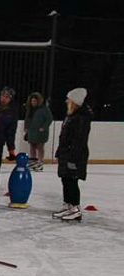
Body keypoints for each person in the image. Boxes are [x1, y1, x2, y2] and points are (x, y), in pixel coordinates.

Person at [53, 88, 92, 222]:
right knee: (65, 179)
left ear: (74, 101)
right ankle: (68, 205)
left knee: (72, 180)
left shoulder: (82, 118)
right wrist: (60, 151)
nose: (66, 101)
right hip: (66, 153)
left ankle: (75, 208)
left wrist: (73, 158)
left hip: (74, 155)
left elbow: (79, 140)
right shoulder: (71, 115)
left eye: (68, 99)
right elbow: (64, 136)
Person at [24, 92, 53, 171]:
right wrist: (26, 127)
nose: (33, 102)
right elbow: (27, 119)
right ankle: (32, 162)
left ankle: (40, 163)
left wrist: (44, 127)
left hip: (40, 132)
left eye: (35, 101)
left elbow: (49, 119)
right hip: (31, 131)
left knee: (40, 147)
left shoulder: (44, 109)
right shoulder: (30, 110)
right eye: (32, 101)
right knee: (32, 147)